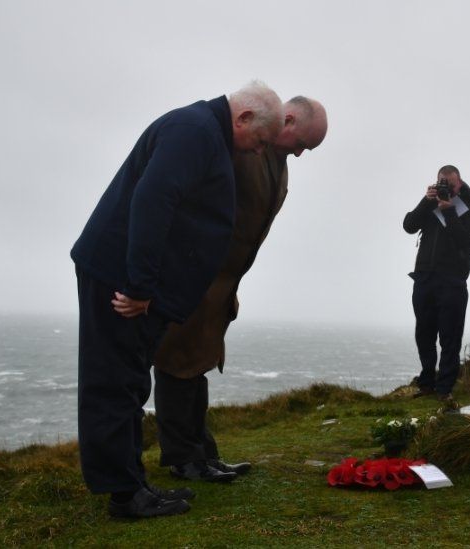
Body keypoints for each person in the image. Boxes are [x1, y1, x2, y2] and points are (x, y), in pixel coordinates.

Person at [70, 82, 284, 518]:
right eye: (260, 141)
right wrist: (140, 287)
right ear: (243, 118)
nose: (260, 151)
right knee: (115, 383)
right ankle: (124, 495)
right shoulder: (195, 131)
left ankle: (132, 484)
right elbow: (154, 199)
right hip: (119, 278)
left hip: (131, 278)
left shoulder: (208, 132)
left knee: (130, 382)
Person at [152, 97, 328, 481]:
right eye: (301, 143)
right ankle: (183, 458)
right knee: (176, 362)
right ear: (289, 118)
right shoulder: (239, 147)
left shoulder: (277, 163)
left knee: (197, 364)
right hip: (194, 273)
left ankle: (202, 453)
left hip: (222, 282)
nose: (299, 154)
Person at [403, 165, 470, 401]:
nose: (446, 187)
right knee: (424, 333)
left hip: (452, 280)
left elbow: (464, 239)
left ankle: (444, 387)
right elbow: (408, 226)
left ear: (459, 184)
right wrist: (425, 202)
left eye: (450, 183)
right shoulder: (429, 205)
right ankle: (427, 382)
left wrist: (449, 212)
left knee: (450, 335)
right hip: (425, 277)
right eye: (441, 183)